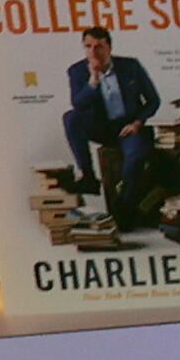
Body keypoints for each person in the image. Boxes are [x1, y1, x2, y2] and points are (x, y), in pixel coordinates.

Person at [60, 14, 159, 214]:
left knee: (135, 156)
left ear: (109, 48)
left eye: (99, 47)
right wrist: (93, 81)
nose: (93, 52)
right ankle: (88, 177)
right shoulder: (77, 71)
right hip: (100, 127)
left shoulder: (131, 66)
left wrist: (138, 123)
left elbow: (153, 100)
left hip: (127, 128)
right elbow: (78, 104)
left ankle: (125, 206)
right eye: (88, 47)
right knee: (71, 117)